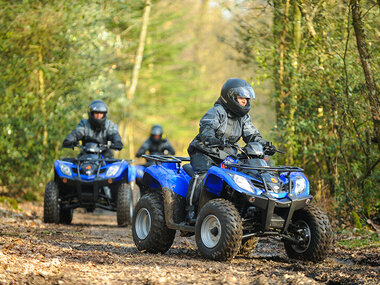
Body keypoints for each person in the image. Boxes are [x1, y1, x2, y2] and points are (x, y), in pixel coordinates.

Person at [186, 78, 277, 217]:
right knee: (203, 175)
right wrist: (211, 138)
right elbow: (206, 129)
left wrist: (265, 145)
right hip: (204, 152)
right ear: (231, 97)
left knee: (248, 173)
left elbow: (252, 135)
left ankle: (247, 211)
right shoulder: (217, 111)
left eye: (247, 99)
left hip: (227, 154)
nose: (245, 102)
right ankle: (191, 211)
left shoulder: (244, 117)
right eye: (241, 98)